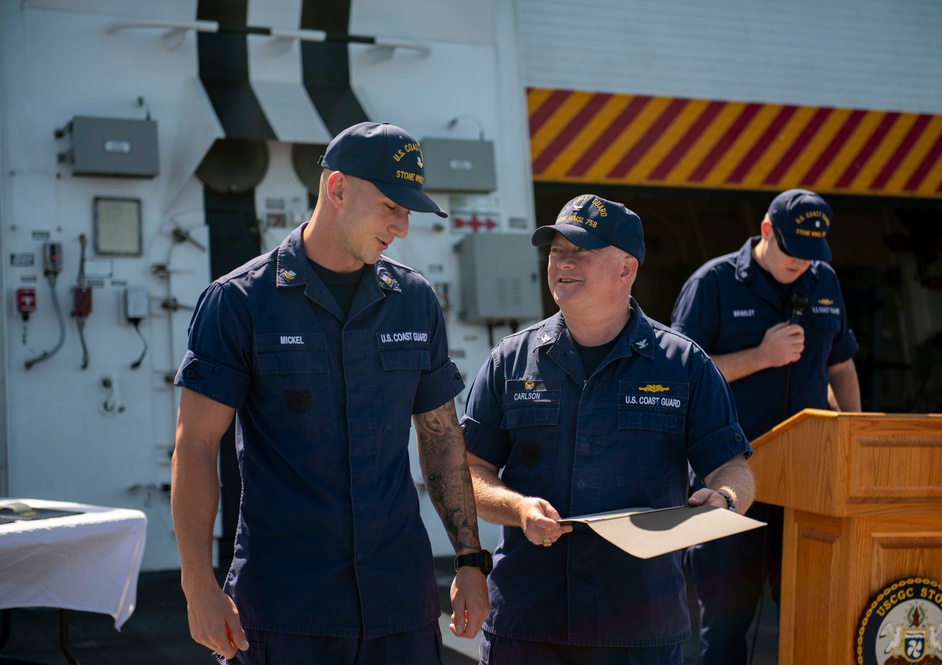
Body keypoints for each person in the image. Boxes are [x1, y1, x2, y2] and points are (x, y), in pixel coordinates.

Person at [171, 121, 490, 664]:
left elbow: (441, 438)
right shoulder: (240, 303)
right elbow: (196, 446)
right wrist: (197, 584)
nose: (402, 228)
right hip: (285, 606)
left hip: (398, 601)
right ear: (337, 188)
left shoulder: (414, 301)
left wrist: (469, 559)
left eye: (408, 212)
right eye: (391, 206)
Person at [460, 194, 756, 665]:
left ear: (626, 269)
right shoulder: (510, 361)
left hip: (637, 631)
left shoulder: (685, 365)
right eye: (557, 251)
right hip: (528, 627)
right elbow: (468, 474)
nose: (563, 263)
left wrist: (724, 499)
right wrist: (518, 508)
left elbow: (732, 468)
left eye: (581, 251)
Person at [670, 188, 862, 665]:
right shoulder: (713, 284)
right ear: (765, 232)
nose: (802, 263)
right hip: (730, 481)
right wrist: (761, 357)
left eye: (812, 254)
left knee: (814, 615)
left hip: (807, 486)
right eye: (792, 250)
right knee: (728, 624)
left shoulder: (824, 282)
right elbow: (677, 377)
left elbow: (840, 366)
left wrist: (857, 436)